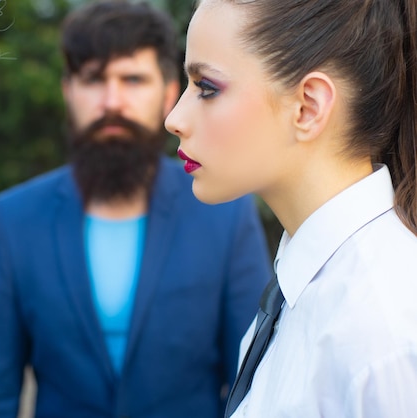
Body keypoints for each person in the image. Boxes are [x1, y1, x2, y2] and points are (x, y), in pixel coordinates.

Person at [0, 1, 271, 417]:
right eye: (94, 79)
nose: (113, 101)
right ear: (68, 91)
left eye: (132, 79)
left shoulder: (224, 212)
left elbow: (253, 383)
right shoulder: (16, 219)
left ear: (168, 94)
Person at [165, 0, 417, 417]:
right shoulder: (305, 291)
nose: (175, 118)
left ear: (308, 107)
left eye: (206, 87)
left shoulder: (382, 332)